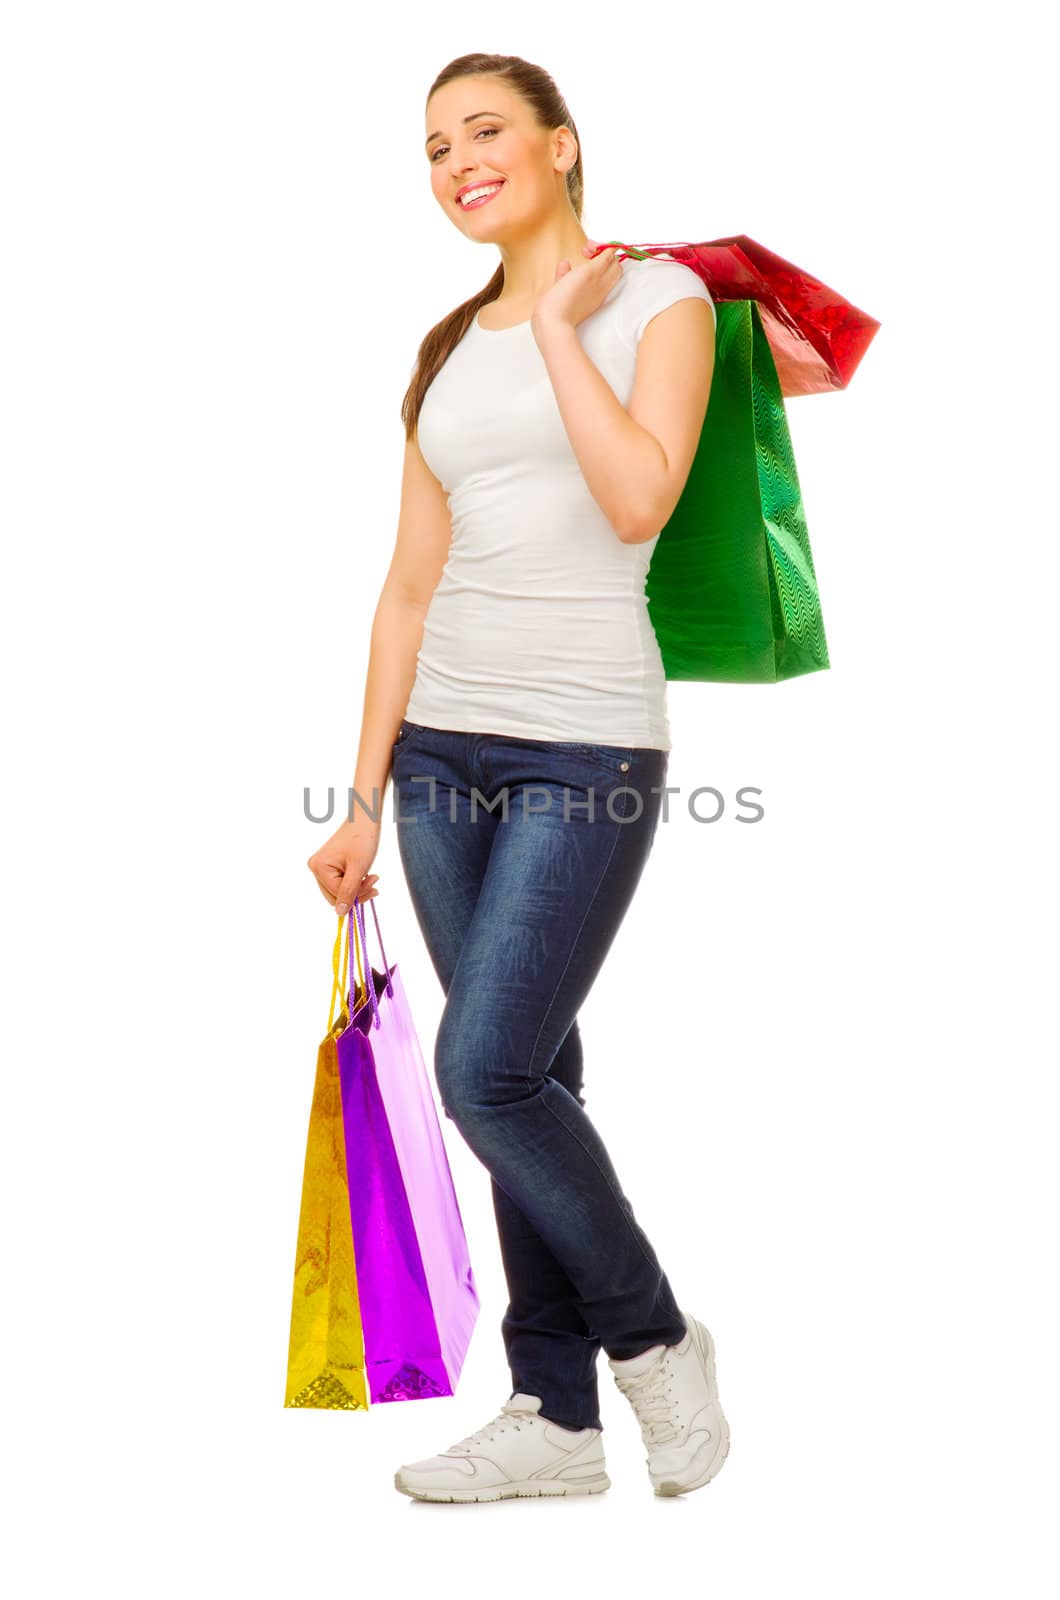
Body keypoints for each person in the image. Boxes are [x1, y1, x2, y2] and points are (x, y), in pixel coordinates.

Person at [307, 51, 730, 1503]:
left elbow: (637, 499)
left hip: (585, 745)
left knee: (484, 1072)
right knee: (532, 1071)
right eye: (433, 147)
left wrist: (560, 326)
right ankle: (554, 1423)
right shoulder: (439, 352)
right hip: (437, 760)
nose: (457, 163)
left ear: (560, 146)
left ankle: (657, 1343)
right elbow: (407, 592)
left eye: (485, 131)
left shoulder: (660, 302)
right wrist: (362, 798)